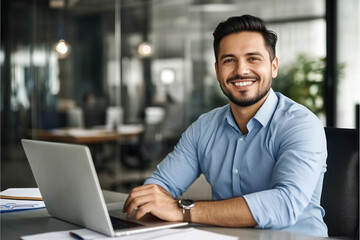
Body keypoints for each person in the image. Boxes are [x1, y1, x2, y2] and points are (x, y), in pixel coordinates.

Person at [123, 14, 328, 237]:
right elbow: (161, 185)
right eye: (229, 60)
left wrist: (182, 210)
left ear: (274, 66)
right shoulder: (204, 127)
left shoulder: (300, 125)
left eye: (253, 58)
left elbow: (284, 205)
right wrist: (151, 200)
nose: (241, 70)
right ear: (217, 69)